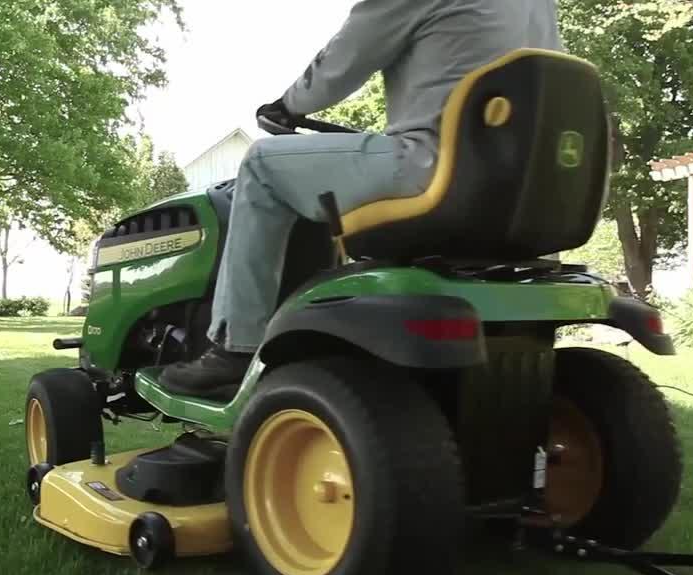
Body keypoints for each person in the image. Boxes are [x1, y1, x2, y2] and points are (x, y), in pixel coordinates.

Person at [159, 0, 566, 397]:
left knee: (262, 165)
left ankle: (236, 347)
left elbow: (342, 62)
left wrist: (287, 105)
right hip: (523, 190)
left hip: (436, 168)